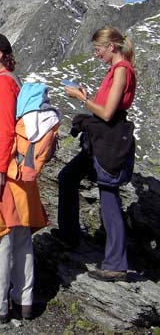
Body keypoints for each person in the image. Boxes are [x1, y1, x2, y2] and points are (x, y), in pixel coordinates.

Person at [0, 32, 49, 322]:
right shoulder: (12, 82)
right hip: (21, 173)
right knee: (19, 236)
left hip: (5, 171)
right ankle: (24, 301)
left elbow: (4, 131)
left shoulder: (1, 84)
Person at [56, 26, 136, 282]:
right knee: (68, 177)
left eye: (98, 49)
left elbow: (107, 113)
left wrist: (81, 98)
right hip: (101, 141)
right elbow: (105, 106)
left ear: (111, 47)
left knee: (109, 198)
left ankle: (116, 265)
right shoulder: (116, 69)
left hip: (109, 141)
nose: (96, 55)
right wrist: (88, 96)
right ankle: (69, 235)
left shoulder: (122, 70)